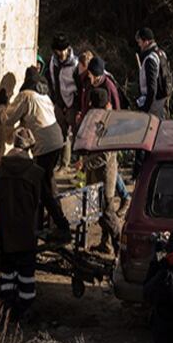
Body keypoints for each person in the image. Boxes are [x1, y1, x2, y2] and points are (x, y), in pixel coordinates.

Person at [0, 127, 71, 321]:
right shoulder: (36, 172)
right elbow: (50, 201)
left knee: (7, 272)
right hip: (27, 233)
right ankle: (23, 310)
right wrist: (62, 224)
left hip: (5, 233)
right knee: (26, 274)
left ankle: (7, 307)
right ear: (29, 149)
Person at [0, 66, 65, 229]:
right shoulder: (44, 95)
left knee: (41, 187)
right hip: (57, 141)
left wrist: (2, 104)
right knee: (47, 181)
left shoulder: (26, 95)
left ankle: (60, 225)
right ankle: (51, 222)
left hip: (44, 145)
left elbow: (7, 119)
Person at [77, 56, 131, 216]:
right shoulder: (89, 82)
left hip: (105, 131)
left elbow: (116, 112)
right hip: (92, 127)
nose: (89, 78)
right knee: (108, 169)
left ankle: (123, 197)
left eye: (91, 75)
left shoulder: (109, 86)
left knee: (109, 168)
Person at [83, 89, 121, 254]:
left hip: (104, 176)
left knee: (107, 215)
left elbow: (104, 155)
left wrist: (85, 163)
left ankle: (119, 245)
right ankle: (106, 244)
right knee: (103, 212)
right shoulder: (107, 119)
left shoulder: (106, 124)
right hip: (102, 175)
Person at [45, 34, 79, 171]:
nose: (59, 54)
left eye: (60, 51)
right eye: (56, 51)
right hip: (59, 102)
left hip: (72, 102)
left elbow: (79, 85)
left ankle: (80, 165)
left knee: (77, 134)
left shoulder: (74, 64)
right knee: (61, 134)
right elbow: (52, 82)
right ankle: (64, 164)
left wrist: (75, 105)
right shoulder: (53, 62)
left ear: (66, 49)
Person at [135, 27, 169, 119]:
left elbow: (152, 87)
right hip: (162, 99)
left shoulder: (150, 59)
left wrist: (146, 107)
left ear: (146, 42)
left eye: (140, 42)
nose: (139, 45)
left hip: (154, 103)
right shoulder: (161, 53)